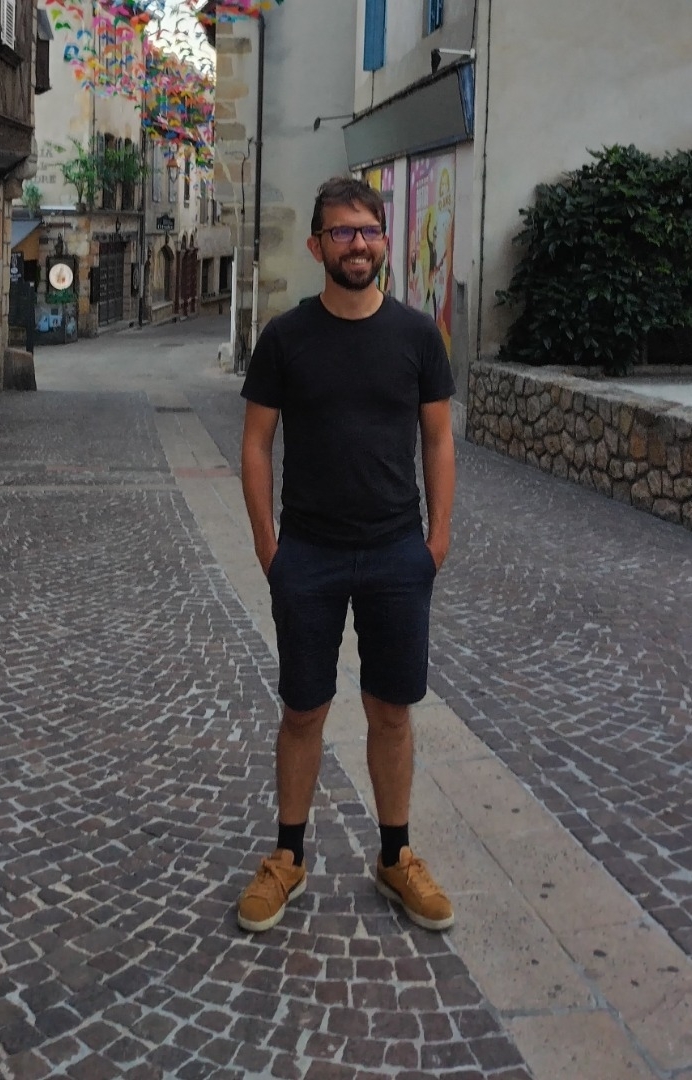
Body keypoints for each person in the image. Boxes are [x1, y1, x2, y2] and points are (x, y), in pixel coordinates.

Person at [237, 176, 456, 934]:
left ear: (384, 240)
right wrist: (269, 546)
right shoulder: (287, 337)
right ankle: (287, 857)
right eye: (341, 232)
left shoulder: (417, 336)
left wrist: (435, 542)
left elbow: (438, 438)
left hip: (397, 552)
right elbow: (256, 443)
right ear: (317, 245)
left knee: (391, 711)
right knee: (303, 710)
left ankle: (396, 858)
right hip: (310, 553)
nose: (356, 244)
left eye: (367, 231)